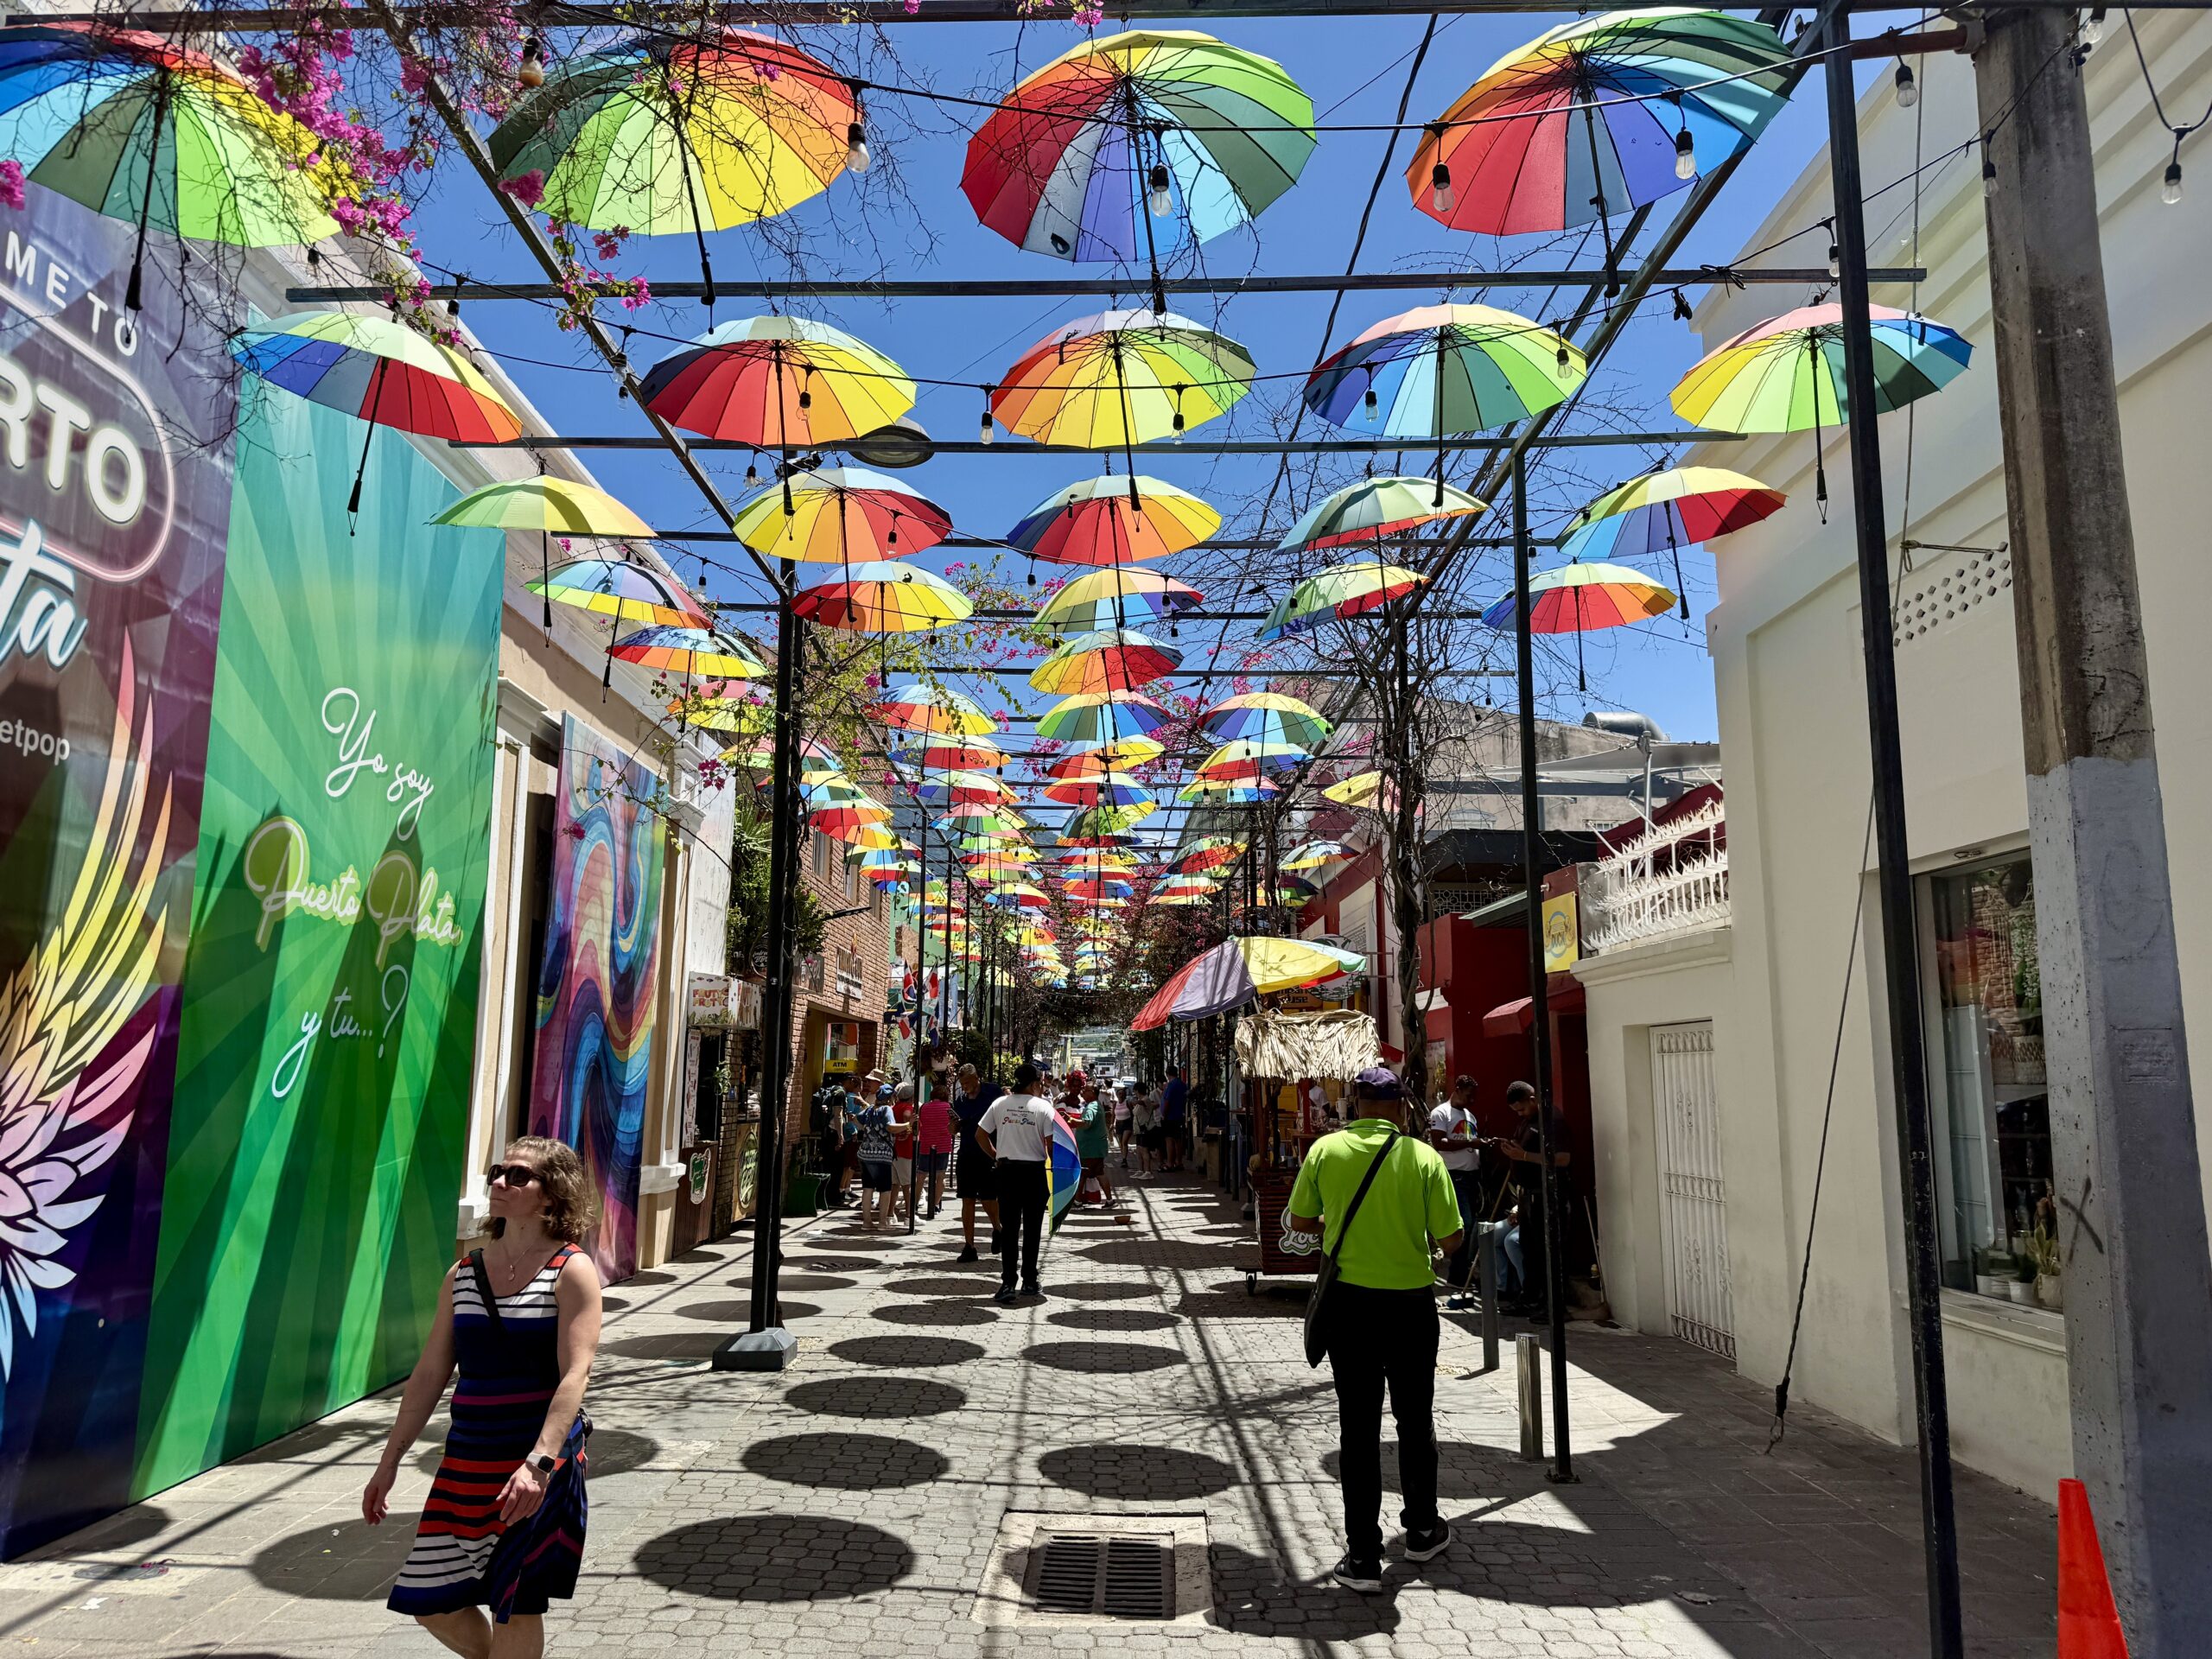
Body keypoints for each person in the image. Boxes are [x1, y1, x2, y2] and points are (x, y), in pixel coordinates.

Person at [372, 1138, 603, 1657]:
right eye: (499, 1171)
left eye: (518, 1176)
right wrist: (390, 1461)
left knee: (515, 1602)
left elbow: (576, 1373)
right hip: (467, 1461)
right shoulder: (463, 1273)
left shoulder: (571, 1270)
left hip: (534, 1464)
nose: (499, 1181)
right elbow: (430, 1374)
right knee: (430, 1598)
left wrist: (540, 1463)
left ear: (551, 1195)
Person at [1283, 1067, 1461, 1592]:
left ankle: (1363, 1556)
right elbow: (1452, 1239)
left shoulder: (1325, 1151)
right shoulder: (1423, 1157)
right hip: (1410, 1306)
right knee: (1415, 1419)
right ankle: (1422, 1529)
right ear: (1401, 1107)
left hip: (1350, 1307)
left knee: (1358, 1429)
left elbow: (1299, 1220)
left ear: (1356, 1105)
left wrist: (1339, 1222)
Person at [1484, 1080, 1572, 1315]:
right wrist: (1512, 1148)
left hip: (1546, 1195)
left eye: (1522, 1109)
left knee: (1546, 1252)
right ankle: (1530, 1298)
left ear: (1532, 1100)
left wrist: (1524, 1156)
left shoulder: (1552, 1120)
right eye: (1516, 1111)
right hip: (1527, 1195)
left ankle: (1551, 1305)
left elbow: (1563, 1159)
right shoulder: (1527, 1121)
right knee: (1529, 1250)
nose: (1520, 1114)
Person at [976, 1062, 1055, 1304]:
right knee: (1033, 1229)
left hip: (1007, 1171)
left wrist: (996, 1155)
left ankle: (1008, 1282)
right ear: (1034, 1084)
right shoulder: (1044, 1107)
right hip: (1034, 1173)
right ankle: (1029, 1280)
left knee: (1009, 1229)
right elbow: (1051, 1144)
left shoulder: (999, 1104)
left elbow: (980, 1134)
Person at [1428, 1075, 1483, 1297]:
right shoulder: (1441, 1113)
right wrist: (1472, 1142)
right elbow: (1438, 1142)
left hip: (1472, 1176)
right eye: (1469, 1095)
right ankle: (1457, 1275)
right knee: (1464, 1224)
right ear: (1458, 1089)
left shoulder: (1470, 1116)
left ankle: (1464, 1271)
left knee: (1473, 1226)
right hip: (1454, 1176)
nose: (1472, 1100)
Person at [950, 1063, 1001, 1263]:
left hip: (988, 1153)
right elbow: (953, 1130)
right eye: (962, 1084)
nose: (965, 1087)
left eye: (967, 1083)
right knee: (967, 1198)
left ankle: (997, 1228)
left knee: (988, 1198)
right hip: (967, 1153)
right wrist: (953, 1125)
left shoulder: (992, 1092)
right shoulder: (960, 1100)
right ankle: (969, 1246)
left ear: (976, 1078)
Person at [851, 1089, 897, 1232]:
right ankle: (882, 1223)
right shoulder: (887, 1109)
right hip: (882, 1155)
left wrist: (866, 1129)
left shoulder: (870, 1109)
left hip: (865, 1154)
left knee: (867, 1188)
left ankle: (867, 1222)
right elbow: (891, 1127)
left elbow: (855, 1119)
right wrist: (908, 1125)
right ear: (889, 1098)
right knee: (885, 1190)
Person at [915, 1080, 955, 1220]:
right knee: (940, 1176)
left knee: (921, 1176)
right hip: (943, 1145)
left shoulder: (924, 1107)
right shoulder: (948, 1108)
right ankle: (935, 1205)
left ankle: (914, 1204)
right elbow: (954, 1125)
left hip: (926, 1144)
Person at [1074, 1080, 1113, 1207]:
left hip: (1089, 1150)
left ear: (1092, 1093)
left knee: (1082, 1175)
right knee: (1099, 1173)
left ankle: (1078, 1202)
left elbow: (1086, 1123)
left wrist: (1071, 1120)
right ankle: (1110, 1200)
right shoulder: (1095, 1105)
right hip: (1094, 1149)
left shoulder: (1092, 1107)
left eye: (1085, 1090)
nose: (1082, 1092)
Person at [888, 1080, 918, 1228]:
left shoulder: (894, 1108)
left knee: (894, 1184)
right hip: (905, 1150)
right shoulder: (908, 1108)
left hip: (893, 1150)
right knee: (907, 1185)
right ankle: (909, 1216)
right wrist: (910, 1126)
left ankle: (889, 1215)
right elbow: (907, 1116)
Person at [1159, 1065, 1189, 1172]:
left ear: (1167, 1074)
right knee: (1178, 1140)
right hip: (1179, 1115)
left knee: (1169, 1140)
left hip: (1170, 1116)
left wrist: (1164, 1114)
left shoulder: (1171, 1085)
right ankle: (1179, 1162)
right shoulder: (1182, 1084)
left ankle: (1170, 1163)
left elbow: (1167, 1101)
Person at [1130, 1081, 1161, 1177]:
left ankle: (1148, 1171)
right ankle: (1140, 1170)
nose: (1134, 1093)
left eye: (1135, 1091)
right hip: (1139, 1130)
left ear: (1138, 1091)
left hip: (1146, 1129)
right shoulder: (1140, 1100)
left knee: (1145, 1150)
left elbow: (1144, 1103)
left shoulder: (1146, 1099)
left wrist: (1136, 1102)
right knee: (1139, 1150)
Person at [1111, 1084, 1134, 1166]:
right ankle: (1124, 1157)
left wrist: (1133, 1124)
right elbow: (1113, 1115)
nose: (1121, 1095)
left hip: (1127, 1123)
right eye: (1120, 1093)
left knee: (1124, 1142)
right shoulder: (1115, 1104)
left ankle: (1124, 1160)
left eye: (1123, 1094)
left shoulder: (1128, 1103)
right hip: (1118, 1124)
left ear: (1125, 1095)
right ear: (1117, 1095)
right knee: (1120, 1142)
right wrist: (1112, 1124)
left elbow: (1133, 1113)